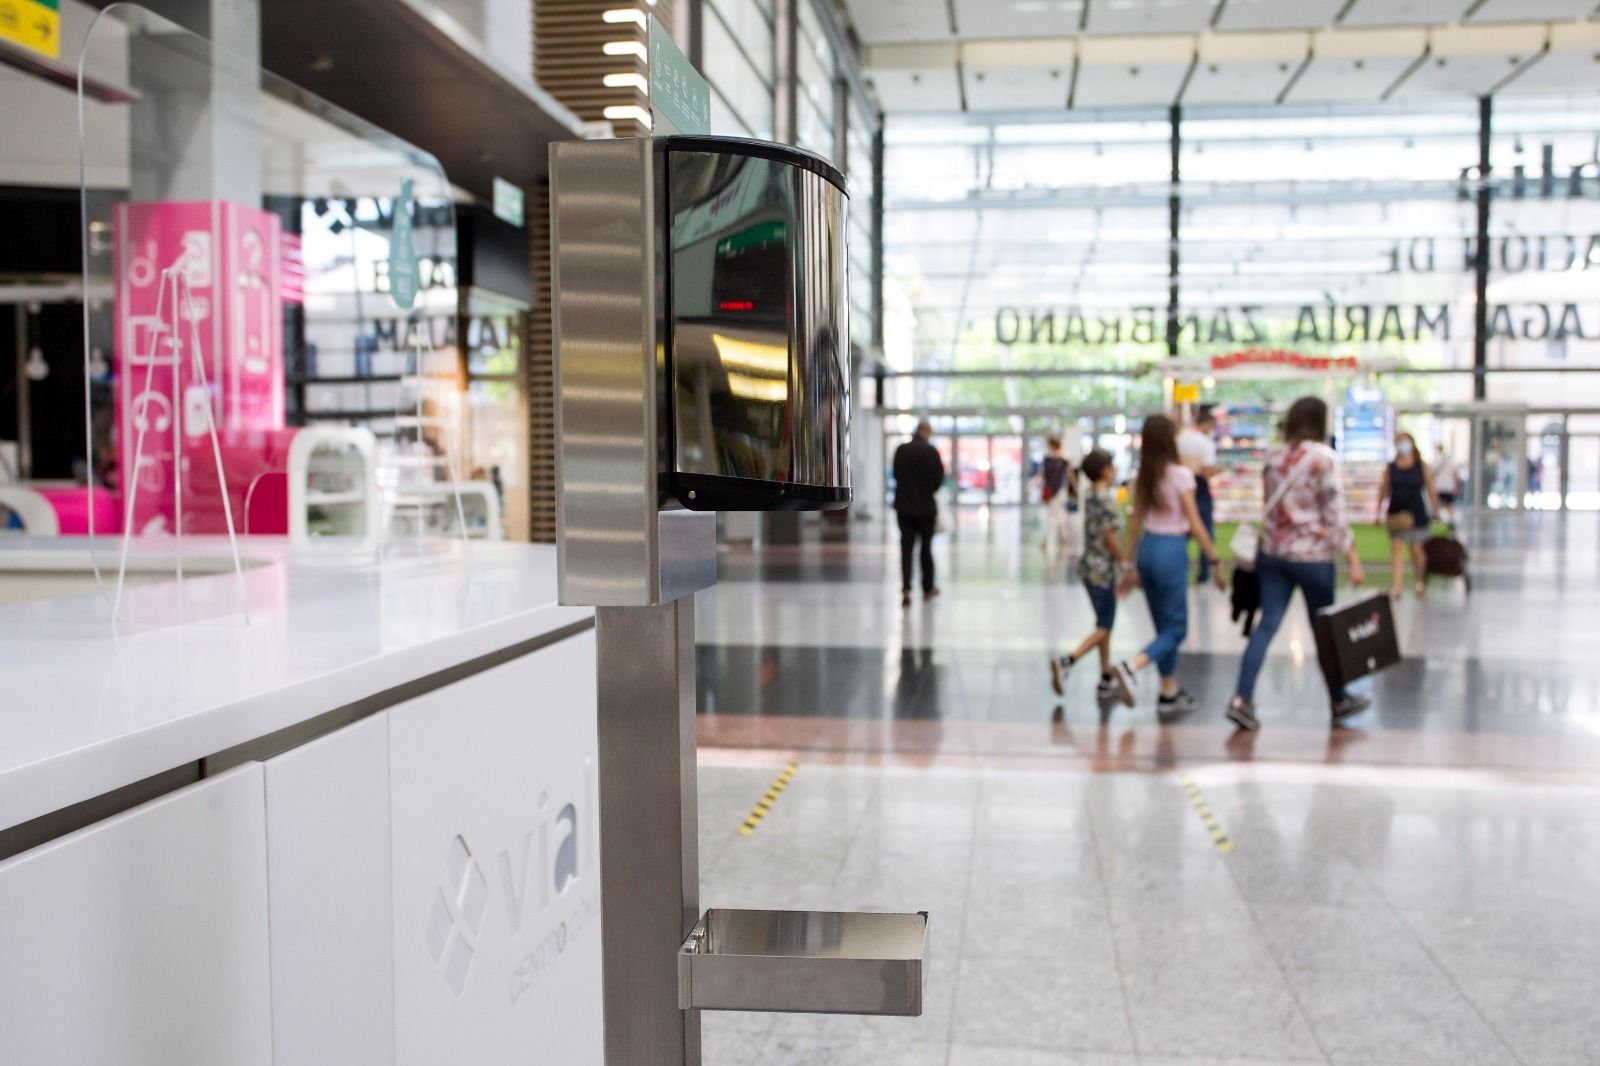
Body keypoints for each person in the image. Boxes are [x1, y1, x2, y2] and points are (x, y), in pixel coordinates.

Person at [1225, 397, 1370, 732]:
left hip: (1274, 554)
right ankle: (1338, 699)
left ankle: (1241, 698)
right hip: (1314, 558)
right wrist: (1352, 556)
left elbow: (1268, 505)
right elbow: (1334, 515)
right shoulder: (1323, 459)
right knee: (1324, 630)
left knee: (1266, 625)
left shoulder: (1274, 457)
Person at [1110, 415, 1225, 715]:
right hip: (1171, 550)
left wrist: (1127, 564)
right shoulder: (1180, 475)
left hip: (1148, 549)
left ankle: (1168, 691)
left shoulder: (1143, 477)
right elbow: (1195, 522)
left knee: (1163, 627)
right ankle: (1132, 666)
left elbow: (1134, 524)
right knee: (1176, 629)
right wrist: (1213, 558)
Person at [1050, 449, 1125, 700]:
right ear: (1104, 470)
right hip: (1103, 570)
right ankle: (1069, 660)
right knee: (1105, 625)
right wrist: (1125, 563)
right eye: (1112, 466)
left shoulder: (1091, 495)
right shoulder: (1105, 500)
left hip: (1089, 567)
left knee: (1104, 622)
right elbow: (1110, 536)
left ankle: (1105, 676)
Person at [1376, 430, 1441, 600]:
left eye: (1404, 441)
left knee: (1417, 551)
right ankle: (1397, 587)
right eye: (1398, 441)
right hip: (1396, 512)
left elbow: (1431, 489)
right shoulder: (1391, 467)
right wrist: (1377, 511)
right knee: (1397, 549)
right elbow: (1383, 489)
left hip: (1417, 513)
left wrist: (1436, 510)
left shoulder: (1421, 465)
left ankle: (1419, 582)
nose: (1402, 445)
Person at [892, 421, 945, 609]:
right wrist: (925, 491)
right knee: (926, 548)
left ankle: (906, 588)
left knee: (906, 548)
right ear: (926, 432)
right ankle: (928, 587)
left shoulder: (901, 450)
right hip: (926, 509)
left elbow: (896, 475)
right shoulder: (931, 451)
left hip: (904, 508)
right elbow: (939, 480)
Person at [1178, 409, 1224, 585]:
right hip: (1200, 489)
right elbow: (1206, 472)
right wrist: (1219, 469)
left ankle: (1182, 566)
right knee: (1204, 530)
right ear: (1207, 424)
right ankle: (1204, 573)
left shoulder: (1180, 439)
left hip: (1182, 488)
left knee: (1184, 530)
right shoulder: (1205, 443)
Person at [1035, 435, 1072, 553]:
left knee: (1053, 516)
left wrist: (1075, 491)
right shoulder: (1048, 460)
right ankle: (1062, 537)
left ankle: (1050, 539)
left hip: (1059, 492)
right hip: (1050, 491)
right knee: (1056, 515)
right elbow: (1042, 474)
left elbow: (1070, 476)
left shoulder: (1064, 461)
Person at [1433, 443, 1460, 523]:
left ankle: (1439, 521)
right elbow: (1454, 473)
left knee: (1438, 505)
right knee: (1449, 504)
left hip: (1439, 486)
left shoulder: (1436, 459)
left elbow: (1432, 473)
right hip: (1449, 486)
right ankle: (1451, 521)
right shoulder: (1449, 460)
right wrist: (1456, 486)